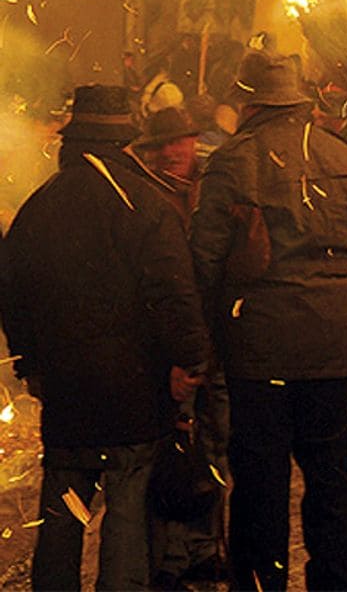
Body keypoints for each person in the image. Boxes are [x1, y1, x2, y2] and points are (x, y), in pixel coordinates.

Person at [0, 84, 210, 590]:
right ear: (124, 143)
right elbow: (173, 291)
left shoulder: (37, 209)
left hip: (67, 394)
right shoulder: (144, 205)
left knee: (63, 511)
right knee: (126, 510)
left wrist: (32, 367)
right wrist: (191, 359)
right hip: (133, 391)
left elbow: (12, 295)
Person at [189, 48, 347, 590]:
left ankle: (261, 584)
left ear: (248, 103)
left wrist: (205, 338)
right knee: (332, 480)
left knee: (260, 484)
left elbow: (203, 261)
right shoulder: (346, 159)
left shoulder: (232, 161)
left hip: (259, 355)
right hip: (331, 352)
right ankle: (338, 583)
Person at [135, 105, 230, 589]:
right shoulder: (142, 198)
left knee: (212, 450)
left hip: (213, 340)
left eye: (182, 141)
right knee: (173, 452)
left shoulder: (209, 187)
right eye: (165, 143)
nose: (175, 151)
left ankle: (204, 550)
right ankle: (171, 559)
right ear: (151, 150)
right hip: (173, 350)